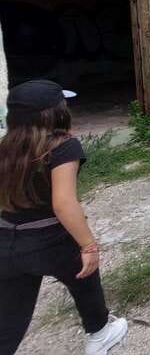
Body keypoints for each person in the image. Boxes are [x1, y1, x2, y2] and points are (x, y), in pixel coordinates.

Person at [0, 80, 128, 355]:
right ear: (53, 113)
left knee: (10, 319)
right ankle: (99, 333)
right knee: (86, 278)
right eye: (63, 104)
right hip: (50, 237)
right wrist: (88, 245)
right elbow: (63, 202)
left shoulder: (5, 147)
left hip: (7, 237)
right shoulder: (62, 147)